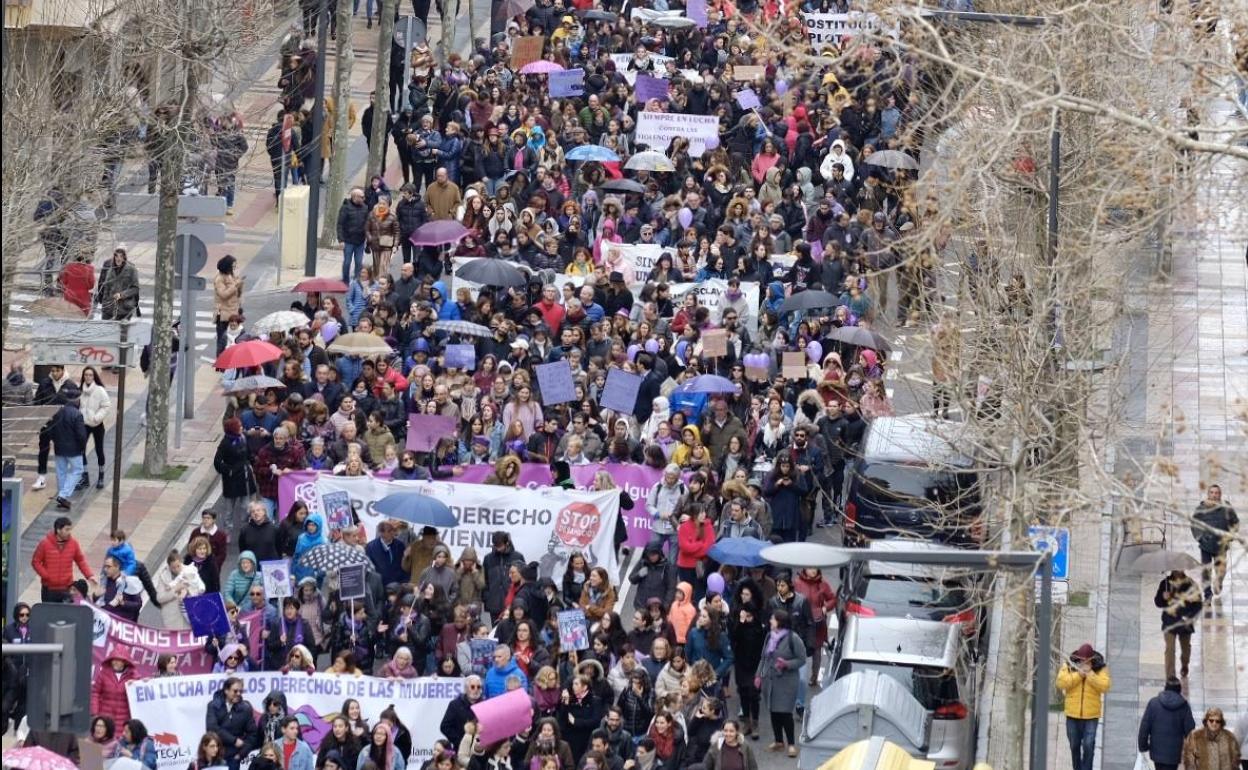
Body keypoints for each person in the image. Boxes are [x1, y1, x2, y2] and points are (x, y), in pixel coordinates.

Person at [756, 609, 806, 757]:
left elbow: (802, 659)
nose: (770, 621)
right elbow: (763, 658)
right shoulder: (769, 636)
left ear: (780, 622)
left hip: (787, 682)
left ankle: (791, 744)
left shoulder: (793, 638)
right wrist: (758, 675)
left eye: (772, 619)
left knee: (785, 713)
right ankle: (778, 741)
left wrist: (787, 664)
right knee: (773, 711)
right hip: (770, 681)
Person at [1056, 643, 1111, 770]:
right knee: (1074, 745)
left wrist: (1090, 674)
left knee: (1088, 745)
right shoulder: (1069, 665)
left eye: (1087, 661)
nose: (1084, 663)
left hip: (1091, 715)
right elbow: (1061, 682)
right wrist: (1079, 675)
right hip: (1072, 714)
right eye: (1082, 661)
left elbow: (1105, 686)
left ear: (1091, 659)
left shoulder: (1100, 668)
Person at [1190, 484, 1239, 601]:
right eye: (1212, 492)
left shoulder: (1226, 507)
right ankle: (1207, 593)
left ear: (1220, 494)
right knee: (1206, 570)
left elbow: (1235, 522)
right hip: (1206, 545)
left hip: (1221, 545)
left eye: (1216, 493)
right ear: (1208, 494)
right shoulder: (1201, 508)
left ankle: (1218, 583)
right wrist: (1200, 537)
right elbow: (1194, 523)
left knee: (1220, 570)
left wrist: (1230, 536)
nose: (1214, 495)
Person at [31, 515, 96, 602]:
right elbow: (36, 562)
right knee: (48, 610)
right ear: (58, 530)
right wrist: (46, 576)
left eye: (70, 529)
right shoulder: (45, 544)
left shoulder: (73, 544)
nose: (69, 532)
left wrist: (89, 575)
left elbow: (80, 561)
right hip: (49, 588)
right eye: (67, 529)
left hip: (66, 587)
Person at [1153, 569, 1202, 680]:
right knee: (1170, 649)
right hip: (1169, 622)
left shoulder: (1191, 584)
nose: (1177, 571)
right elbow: (1158, 602)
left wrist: (1189, 616)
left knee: (1186, 649)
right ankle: (1170, 676)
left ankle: (1185, 664)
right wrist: (1163, 597)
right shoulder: (1165, 584)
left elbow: (1198, 604)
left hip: (1185, 623)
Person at [1138, 678, 1196, 770]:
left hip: (1156, 752)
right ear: (1179, 689)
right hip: (1174, 754)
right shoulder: (1184, 706)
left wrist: (1143, 746)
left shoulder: (1153, 703)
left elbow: (1144, 727)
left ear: (1165, 688)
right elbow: (1190, 730)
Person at [46, 383, 87, 509]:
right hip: (73, 449)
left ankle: (62, 495)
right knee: (78, 470)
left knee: (61, 472)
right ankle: (63, 495)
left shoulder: (57, 412)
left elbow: (50, 430)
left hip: (59, 447)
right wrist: (82, 447)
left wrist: (56, 441)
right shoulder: (77, 414)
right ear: (77, 400)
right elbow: (81, 435)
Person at [206, 676, 261, 770]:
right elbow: (212, 728)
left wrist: (241, 754)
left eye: (240, 691)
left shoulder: (246, 709)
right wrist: (234, 740)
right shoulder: (213, 706)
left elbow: (253, 734)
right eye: (235, 691)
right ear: (226, 690)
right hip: (215, 756)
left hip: (234, 758)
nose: (238, 694)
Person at [78, 366, 112, 490]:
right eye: (86, 375)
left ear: (94, 377)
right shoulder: (80, 390)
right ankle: (85, 476)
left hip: (97, 424)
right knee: (81, 450)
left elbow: (106, 406)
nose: (88, 377)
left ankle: (101, 476)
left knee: (99, 450)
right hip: (84, 424)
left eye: (90, 375)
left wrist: (97, 417)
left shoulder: (99, 390)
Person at [91, 651, 138, 727]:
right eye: (113, 659)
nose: (115, 662)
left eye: (118, 660)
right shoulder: (103, 674)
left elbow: (140, 691)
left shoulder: (133, 676)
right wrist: (95, 712)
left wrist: (143, 682)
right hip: (105, 718)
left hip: (124, 720)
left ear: (125, 662)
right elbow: (95, 693)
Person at [95, 246, 140, 320]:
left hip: (125, 310)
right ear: (114, 257)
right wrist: (104, 305)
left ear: (124, 258)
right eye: (116, 256)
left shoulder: (131, 269)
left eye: (121, 256)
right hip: (109, 310)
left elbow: (135, 289)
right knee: (106, 327)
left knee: (122, 327)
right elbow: (105, 288)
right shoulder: (110, 270)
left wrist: (121, 295)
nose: (118, 259)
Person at [338, 187, 370, 284]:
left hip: (360, 241)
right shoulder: (346, 208)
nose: (363, 199)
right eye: (362, 197)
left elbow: (367, 223)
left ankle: (356, 281)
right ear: (355, 197)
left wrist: (368, 237)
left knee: (359, 263)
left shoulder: (365, 208)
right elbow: (340, 224)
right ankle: (345, 281)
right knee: (347, 262)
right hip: (348, 240)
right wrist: (341, 240)